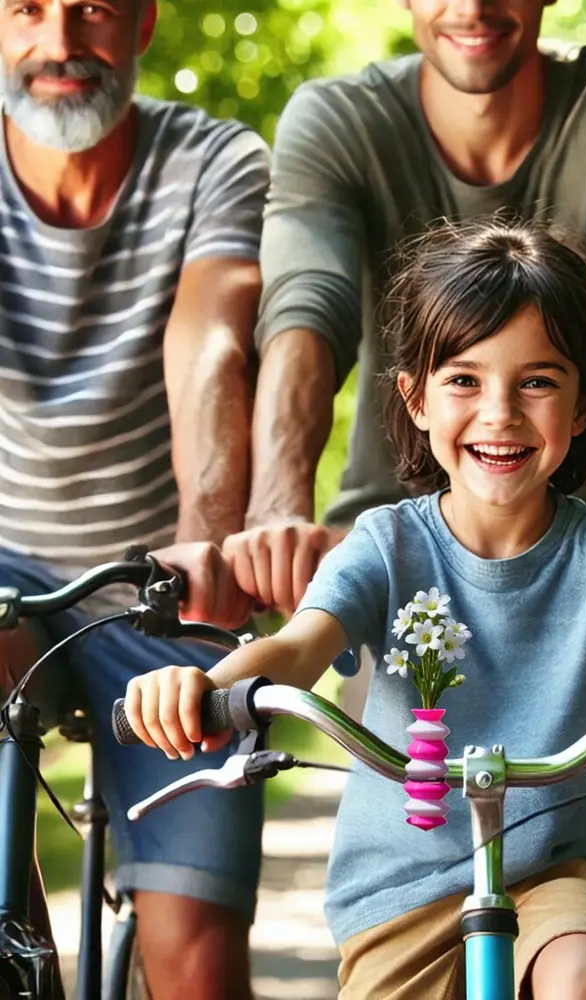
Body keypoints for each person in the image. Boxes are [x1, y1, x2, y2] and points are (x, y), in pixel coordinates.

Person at [125, 219, 586, 1000]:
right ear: (415, 399)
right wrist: (201, 685)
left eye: (538, 382)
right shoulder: (383, 546)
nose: (500, 413)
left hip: (564, 871)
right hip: (402, 893)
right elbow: (294, 650)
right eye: (464, 380)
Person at [225, 4, 586, 991]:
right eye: (463, 382)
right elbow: (304, 311)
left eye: (535, 380)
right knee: (397, 752)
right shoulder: (341, 119)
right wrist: (268, 533)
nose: (474, 4)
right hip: (405, 874)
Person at [0, 1, 269, 996]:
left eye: (93, 9)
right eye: (27, 8)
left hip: (163, 579)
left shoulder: (213, 159)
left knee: (195, 959)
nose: (60, 40)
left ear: (145, 22)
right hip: (7, 563)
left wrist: (206, 544)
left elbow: (210, 343)